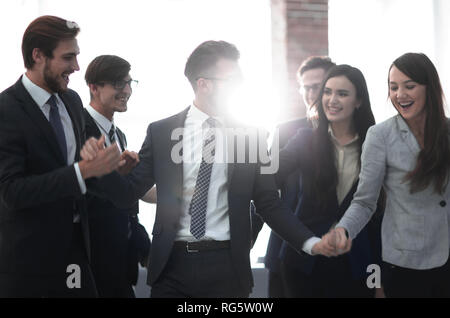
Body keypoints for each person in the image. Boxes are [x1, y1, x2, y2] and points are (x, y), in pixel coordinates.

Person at [82, 40, 319, 298]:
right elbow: (127, 194)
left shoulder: (252, 136)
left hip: (227, 268)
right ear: (203, 84)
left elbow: (268, 202)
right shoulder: (161, 132)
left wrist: (311, 242)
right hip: (171, 268)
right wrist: (100, 169)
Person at [0, 15, 122, 297]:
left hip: (76, 254)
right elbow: (11, 191)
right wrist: (82, 171)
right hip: (27, 265)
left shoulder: (72, 101)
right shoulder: (6, 110)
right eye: (68, 58)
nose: (77, 67)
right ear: (38, 55)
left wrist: (111, 168)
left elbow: (81, 172)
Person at [328, 53, 450, 298]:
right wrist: (343, 230)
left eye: (409, 86)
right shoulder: (380, 136)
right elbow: (364, 202)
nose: (399, 95)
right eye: (393, 87)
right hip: (404, 262)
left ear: (429, 88)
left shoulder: (447, 131)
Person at [275, 64, 383, 297]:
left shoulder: (376, 146)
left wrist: (380, 279)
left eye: (342, 94)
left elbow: (382, 216)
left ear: (359, 101)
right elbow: (269, 174)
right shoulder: (304, 140)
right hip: (304, 262)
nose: (332, 100)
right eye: (328, 92)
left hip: (358, 263)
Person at [252, 56, 335, 298]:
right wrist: (247, 235)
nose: (311, 93)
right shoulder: (286, 131)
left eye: (317, 86)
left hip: (342, 248)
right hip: (287, 248)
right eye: (306, 87)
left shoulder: (360, 133)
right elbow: (264, 189)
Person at [83, 55, 151, 297]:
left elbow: (129, 191)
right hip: (91, 259)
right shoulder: (78, 127)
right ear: (94, 87)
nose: (128, 91)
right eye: (119, 84)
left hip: (120, 256)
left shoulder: (118, 134)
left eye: (130, 83)